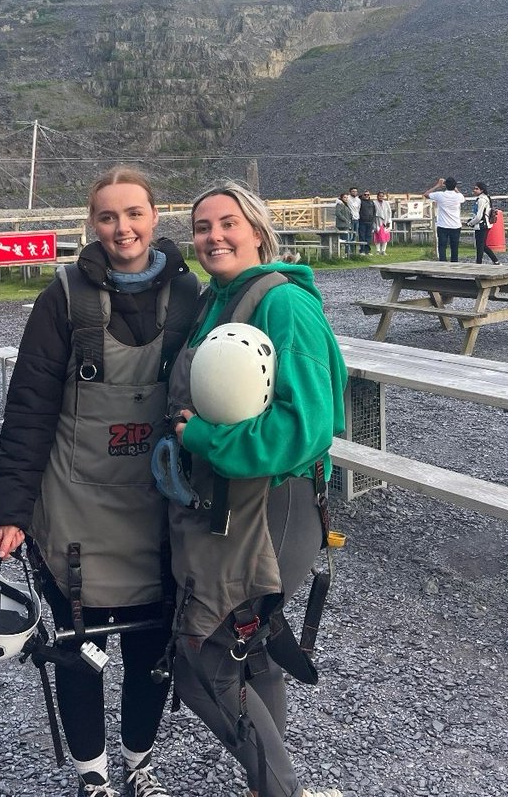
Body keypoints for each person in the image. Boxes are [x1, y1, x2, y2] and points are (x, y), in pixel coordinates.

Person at [0, 167, 200, 797]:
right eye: (107, 217)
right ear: (92, 223)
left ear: (155, 216)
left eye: (133, 213)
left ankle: (140, 763)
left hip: (158, 508)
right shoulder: (64, 298)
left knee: (152, 648)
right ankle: (94, 777)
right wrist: (11, 511)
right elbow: (29, 409)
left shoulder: (189, 295)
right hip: (73, 508)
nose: (122, 228)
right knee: (77, 647)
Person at [166, 180, 347, 797]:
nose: (213, 236)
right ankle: (269, 786)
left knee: (204, 657)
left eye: (228, 224)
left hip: (276, 504)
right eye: (202, 227)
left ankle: (282, 791)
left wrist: (203, 440)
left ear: (258, 232)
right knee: (255, 645)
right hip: (232, 506)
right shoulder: (216, 302)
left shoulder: (284, 304)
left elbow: (307, 426)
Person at [423, 176, 465, 263]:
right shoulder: (458, 196)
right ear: (455, 186)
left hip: (443, 225)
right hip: (455, 225)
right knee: (454, 247)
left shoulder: (440, 195)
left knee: (442, 247)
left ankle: (442, 264)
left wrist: (437, 185)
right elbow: (462, 197)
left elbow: (426, 194)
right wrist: (455, 188)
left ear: (445, 185)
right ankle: (454, 264)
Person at [469, 181, 500, 264]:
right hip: (484, 224)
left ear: (481, 190)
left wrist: (471, 223)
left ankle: (479, 263)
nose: (474, 190)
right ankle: (495, 261)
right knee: (482, 245)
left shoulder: (481, 200)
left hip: (482, 225)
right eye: (474, 188)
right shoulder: (485, 198)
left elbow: (479, 216)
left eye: (476, 189)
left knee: (480, 245)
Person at [372, 190, 393, 255]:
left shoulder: (386, 203)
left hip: (385, 221)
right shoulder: (374, 203)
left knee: (385, 236)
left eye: (382, 196)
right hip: (377, 221)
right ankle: (378, 250)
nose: (381, 197)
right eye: (380, 196)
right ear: (377, 196)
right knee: (377, 235)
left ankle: (383, 250)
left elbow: (389, 212)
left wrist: (389, 220)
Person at [357, 189, 376, 255]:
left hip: (370, 222)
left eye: (368, 195)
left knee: (368, 236)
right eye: (365, 194)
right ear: (362, 195)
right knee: (362, 236)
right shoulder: (360, 202)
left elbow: (374, 211)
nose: (366, 196)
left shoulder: (371, 202)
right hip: (362, 222)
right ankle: (362, 250)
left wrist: (373, 219)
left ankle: (367, 250)